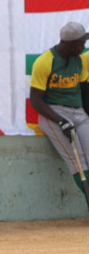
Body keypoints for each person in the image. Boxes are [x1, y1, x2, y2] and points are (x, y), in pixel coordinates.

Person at [29, 21, 89, 198]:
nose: (84, 46)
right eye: (81, 43)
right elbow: (36, 100)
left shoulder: (80, 59)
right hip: (54, 113)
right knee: (78, 162)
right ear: (70, 44)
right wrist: (61, 121)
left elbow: (84, 90)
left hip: (79, 113)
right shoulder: (45, 62)